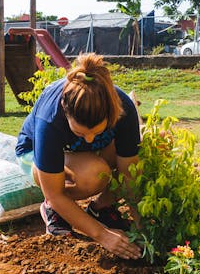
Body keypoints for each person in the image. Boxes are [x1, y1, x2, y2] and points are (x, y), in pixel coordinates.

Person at [16, 53, 142, 260]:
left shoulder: (123, 108)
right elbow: (55, 193)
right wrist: (102, 234)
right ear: (65, 113)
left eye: (97, 132)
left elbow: (130, 175)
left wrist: (142, 227)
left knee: (138, 158)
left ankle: (101, 208)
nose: (90, 139)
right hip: (32, 155)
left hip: (81, 154)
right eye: (80, 133)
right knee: (94, 174)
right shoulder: (50, 118)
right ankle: (52, 210)